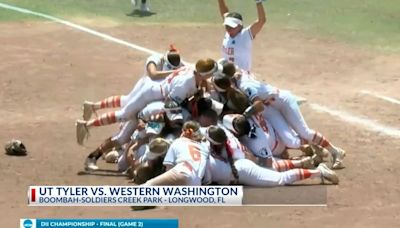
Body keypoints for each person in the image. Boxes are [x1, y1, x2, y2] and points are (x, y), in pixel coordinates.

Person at [76, 58, 217, 145]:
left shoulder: (194, 69)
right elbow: (170, 103)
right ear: (203, 74)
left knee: (126, 109)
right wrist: (178, 120)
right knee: (124, 115)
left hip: (156, 91)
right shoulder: (185, 85)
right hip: (150, 95)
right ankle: (86, 126)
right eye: (211, 73)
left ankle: (92, 111)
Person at [205, 125, 339, 186]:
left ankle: (319, 172)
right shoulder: (223, 132)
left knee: (280, 179)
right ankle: (305, 164)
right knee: (274, 168)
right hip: (244, 164)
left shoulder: (211, 151)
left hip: (244, 170)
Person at [82, 45, 182, 121]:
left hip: (155, 89)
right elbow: (153, 74)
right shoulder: (155, 59)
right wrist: (174, 72)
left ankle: (93, 106)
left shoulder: (178, 63)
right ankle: (91, 115)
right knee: (127, 109)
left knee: (126, 101)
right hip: (144, 85)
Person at [217, 0, 266, 72]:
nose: (228, 29)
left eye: (232, 27)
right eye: (227, 26)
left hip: (242, 76)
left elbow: (262, 20)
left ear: (240, 26)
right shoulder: (229, 31)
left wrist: (258, 2)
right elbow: (224, 12)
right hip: (225, 73)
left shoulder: (246, 35)